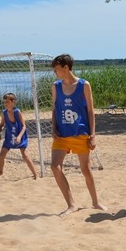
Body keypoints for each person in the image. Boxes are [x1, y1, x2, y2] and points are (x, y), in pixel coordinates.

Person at [49, 54, 106, 216]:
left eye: (57, 69)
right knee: (55, 166)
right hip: (61, 135)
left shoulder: (84, 85)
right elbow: (54, 109)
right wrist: (53, 128)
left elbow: (90, 111)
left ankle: (95, 202)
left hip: (80, 133)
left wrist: (93, 134)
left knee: (86, 169)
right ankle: (71, 204)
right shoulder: (56, 86)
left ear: (66, 68)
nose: (55, 72)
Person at [0, 93, 38, 180]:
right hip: (9, 137)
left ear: (13, 102)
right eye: (4, 102)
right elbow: (2, 125)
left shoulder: (17, 112)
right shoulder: (4, 113)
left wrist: (19, 137)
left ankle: (35, 174)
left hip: (20, 136)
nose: (5, 104)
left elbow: (24, 126)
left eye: (7, 102)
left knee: (25, 155)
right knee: (1, 156)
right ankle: (1, 171)